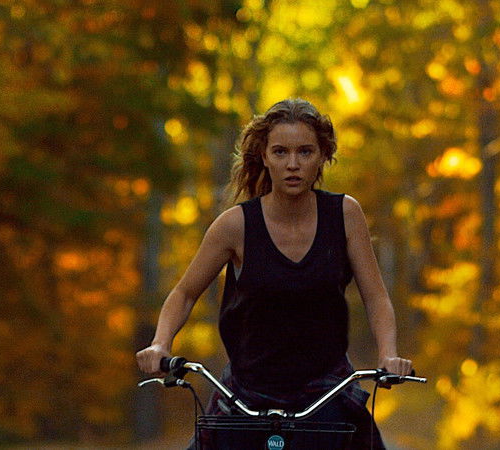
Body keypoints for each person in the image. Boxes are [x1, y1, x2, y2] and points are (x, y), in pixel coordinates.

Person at [136, 98, 412, 449]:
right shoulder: (235, 225)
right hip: (246, 393)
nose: (292, 164)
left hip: (327, 391)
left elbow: (376, 297)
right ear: (264, 156)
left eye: (305, 152)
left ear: (323, 156)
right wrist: (161, 343)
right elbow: (184, 293)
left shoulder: (345, 214)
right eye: (280, 152)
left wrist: (387, 355)